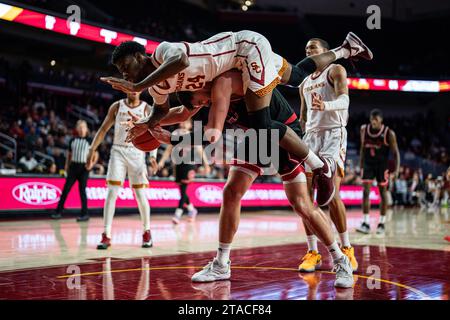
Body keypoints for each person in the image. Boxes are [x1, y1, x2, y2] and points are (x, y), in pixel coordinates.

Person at [102, 30, 373, 207]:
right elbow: (169, 112)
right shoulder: (158, 87)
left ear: (140, 56)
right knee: (299, 78)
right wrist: (148, 124)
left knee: (262, 128)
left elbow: (181, 62)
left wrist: (138, 88)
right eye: (123, 74)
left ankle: (320, 167)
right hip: (240, 62)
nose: (126, 76)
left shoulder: (162, 52)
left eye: (127, 68)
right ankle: (346, 49)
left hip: (245, 50)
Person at [143, 69, 354, 288]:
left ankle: (340, 260)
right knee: (231, 191)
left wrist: (174, 139)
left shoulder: (227, 82)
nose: (203, 105)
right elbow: (191, 118)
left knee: (301, 204)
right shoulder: (213, 99)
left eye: (200, 101)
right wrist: (148, 123)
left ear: (200, 88)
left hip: (284, 134)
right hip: (256, 138)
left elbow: (210, 134)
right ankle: (222, 263)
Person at [298, 37, 357, 272]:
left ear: (326, 51)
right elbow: (303, 116)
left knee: (332, 195)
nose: (308, 51)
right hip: (311, 137)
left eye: (313, 47)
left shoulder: (335, 69)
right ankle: (313, 252)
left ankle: (346, 248)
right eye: (306, 48)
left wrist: (327, 107)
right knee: (304, 199)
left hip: (333, 134)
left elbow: (345, 99)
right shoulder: (304, 82)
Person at [86, 92, 158, 249]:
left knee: (140, 194)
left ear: (141, 88)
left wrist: (152, 155)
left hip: (137, 153)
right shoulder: (117, 106)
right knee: (112, 192)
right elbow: (104, 129)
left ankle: (147, 232)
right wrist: (92, 148)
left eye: (136, 85)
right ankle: (106, 235)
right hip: (118, 151)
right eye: (129, 84)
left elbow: (154, 132)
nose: (133, 89)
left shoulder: (146, 108)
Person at [157, 120, 211, 224]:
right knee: (182, 190)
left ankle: (178, 214)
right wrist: (162, 161)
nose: (183, 123)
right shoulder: (175, 135)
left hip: (189, 164)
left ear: (190, 125)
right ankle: (192, 209)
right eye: (182, 122)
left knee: (183, 190)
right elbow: (169, 149)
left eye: (186, 122)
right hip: (177, 165)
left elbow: (200, 151)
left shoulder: (193, 136)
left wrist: (206, 165)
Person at [356, 109, 400, 235]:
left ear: (381, 120)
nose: (373, 122)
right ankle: (365, 223)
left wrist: (396, 170)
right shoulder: (364, 129)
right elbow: (362, 149)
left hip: (382, 165)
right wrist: (361, 166)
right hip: (368, 164)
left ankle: (381, 223)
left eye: (376, 120)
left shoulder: (388, 133)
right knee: (365, 192)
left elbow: (396, 153)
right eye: (371, 119)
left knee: (383, 193)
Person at [51, 120, 97, 221]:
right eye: (79, 127)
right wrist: (66, 167)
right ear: (76, 129)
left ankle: (85, 214)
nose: (81, 129)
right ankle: (58, 212)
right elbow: (69, 155)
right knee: (65, 190)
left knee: (82, 191)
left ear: (86, 129)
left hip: (84, 168)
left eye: (83, 127)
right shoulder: (72, 140)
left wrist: (91, 164)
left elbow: (96, 154)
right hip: (73, 167)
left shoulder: (90, 141)